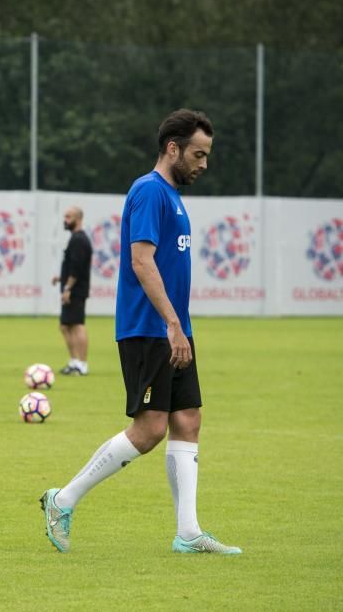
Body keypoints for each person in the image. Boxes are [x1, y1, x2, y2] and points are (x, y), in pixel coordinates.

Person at [41, 109, 241, 555]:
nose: (204, 164)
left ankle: (188, 533)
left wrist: (180, 328)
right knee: (149, 430)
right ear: (172, 148)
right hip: (149, 329)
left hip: (174, 330)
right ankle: (63, 498)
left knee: (188, 420)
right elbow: (141, 261)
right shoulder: (149, 191)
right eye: (197, 154)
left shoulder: (172, 194)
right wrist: (172, 324)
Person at [51, 206, 93, 376]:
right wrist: (61, 278)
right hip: (71, 287)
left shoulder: (79, 240)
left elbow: (77, 268)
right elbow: (73, 266)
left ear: (78, 218)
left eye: (68, 217)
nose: (65, 220)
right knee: (65, 326)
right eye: (64, 216)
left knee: (77, 325)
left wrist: (68, 287)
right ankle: (74, 361)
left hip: (76, 290)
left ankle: (82, 364)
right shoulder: (75, 239)